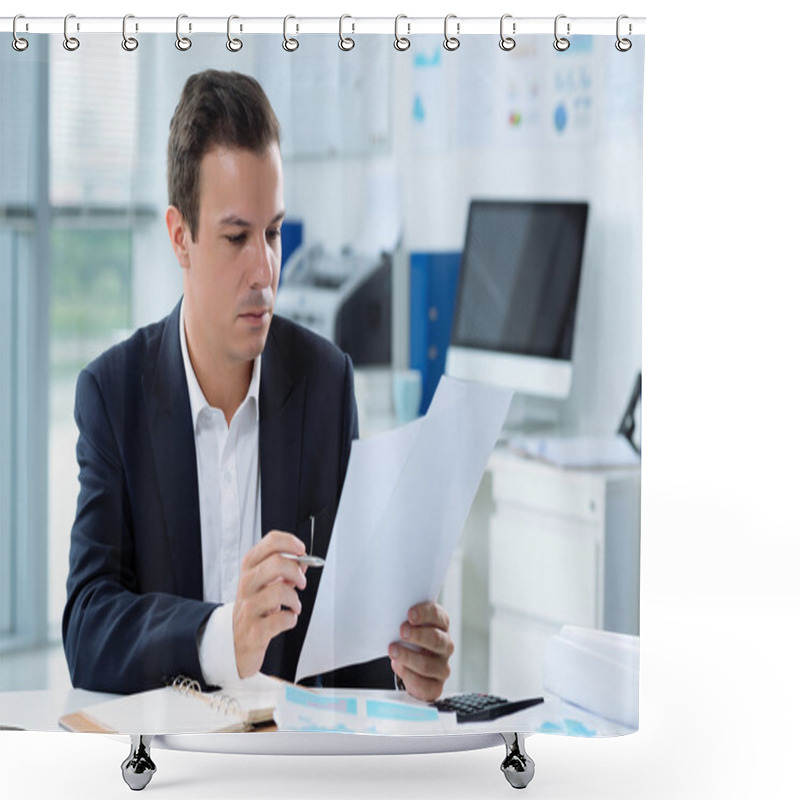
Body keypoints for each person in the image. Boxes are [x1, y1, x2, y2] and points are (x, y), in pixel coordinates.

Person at [62, 69, 453, 702]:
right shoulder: (113, 394)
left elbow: (347, 645)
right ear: (180, 236)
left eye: (272, 233)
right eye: (237, 237)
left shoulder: (326, 382)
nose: (264, 270)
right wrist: (225, 636)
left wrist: (407, 671)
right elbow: (88, 627)